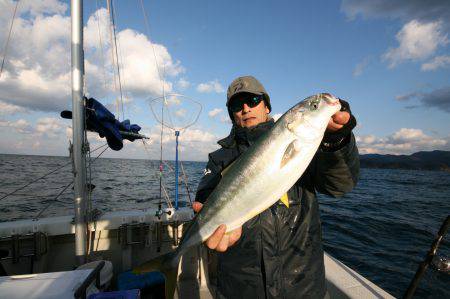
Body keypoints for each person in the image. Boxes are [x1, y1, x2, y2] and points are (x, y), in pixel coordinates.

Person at [194, 76, 359, 298]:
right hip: (241, 289)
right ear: (231, 114)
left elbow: (340, 186)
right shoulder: (219, 159)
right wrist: (208, 228)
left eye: (253, 100)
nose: (245, 108)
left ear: (267, 106)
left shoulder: (306, 145)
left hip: (302, 287)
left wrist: (336, 141)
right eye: (236, 104)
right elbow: (205, 199)